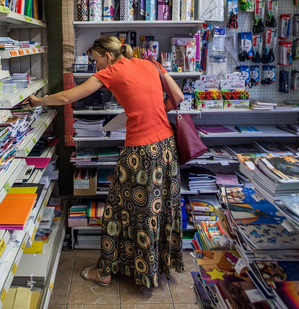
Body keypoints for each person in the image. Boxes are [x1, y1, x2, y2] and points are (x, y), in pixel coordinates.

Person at [28, 35, 185, 288]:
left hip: (141, 153)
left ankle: (106, 273)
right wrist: (151, 113)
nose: (96, 66)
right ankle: (157, 267)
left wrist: (40, 101)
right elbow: (177, 97)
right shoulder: (151, 64)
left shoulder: (110, 72)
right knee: (159, 206)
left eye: (95, 60)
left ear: (108, 56)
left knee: (118, 210)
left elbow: (68, 98)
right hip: (166, 146)